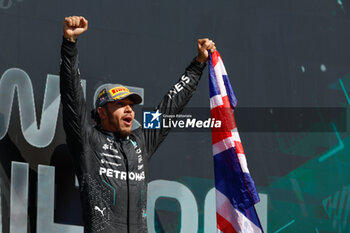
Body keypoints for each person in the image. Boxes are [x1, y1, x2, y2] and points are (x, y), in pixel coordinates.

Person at [60, 16, 216, 233]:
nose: (129, 110)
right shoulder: (87, 140)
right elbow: (72, 96)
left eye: (131, 105)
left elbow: (170, 106)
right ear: (102, 112)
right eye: (120, 104)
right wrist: (69, 45)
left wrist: (198, 64)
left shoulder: (141, 140)